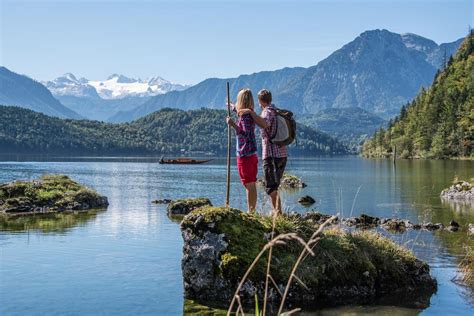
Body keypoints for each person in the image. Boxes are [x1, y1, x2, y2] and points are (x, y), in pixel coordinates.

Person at [238, 89, 287, 216]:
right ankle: (277, 213)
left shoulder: (267, 112)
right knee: (274, 186)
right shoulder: (275, 110)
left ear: (260, 101)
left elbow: (264, 124)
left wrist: (249, 111)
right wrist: (235, 108)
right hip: (281, 154)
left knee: (271, 187)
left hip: (271, 155)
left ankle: (278, 214)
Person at [226, 89, 258, 213]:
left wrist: (232, 124)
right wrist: (233, 107)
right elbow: (240, 113)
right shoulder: (248, 113)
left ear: (241, 100)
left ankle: (251, 212)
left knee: (249, 183)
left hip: (245, 154)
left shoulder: (245, 116)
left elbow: (245, 133)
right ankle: (252, 211)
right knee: (250, 183)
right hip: (251, 154)